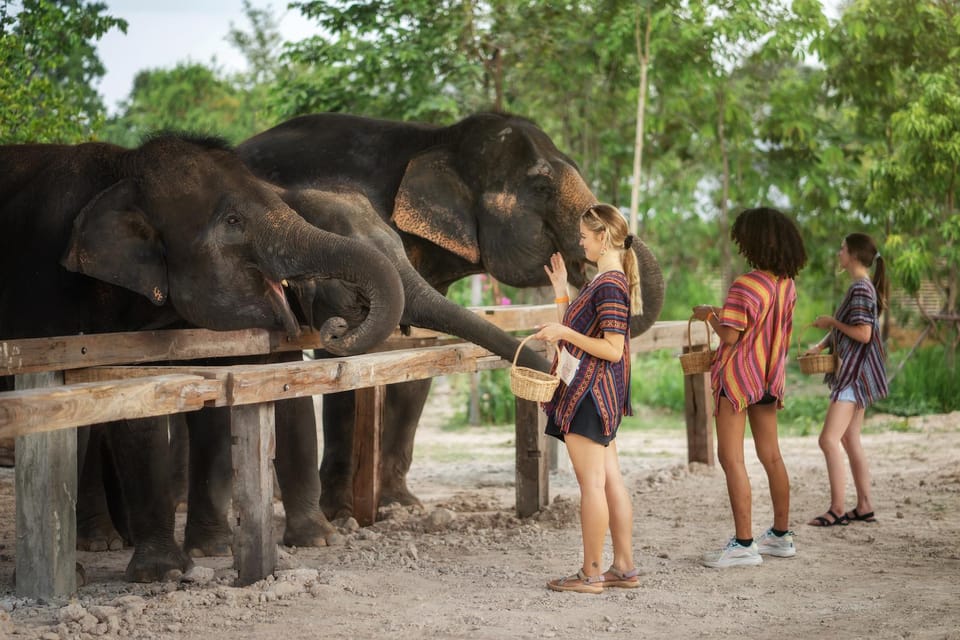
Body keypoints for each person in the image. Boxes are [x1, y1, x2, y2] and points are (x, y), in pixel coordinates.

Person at [535, 203, 642, 594]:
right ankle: (624, 567)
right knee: (610, 480)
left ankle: (590, 574)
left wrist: (564, 336)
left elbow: (612, 348)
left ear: (603, 237)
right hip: (601, 394)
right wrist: (562, 294)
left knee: (593, 485)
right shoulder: (604, 282)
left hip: (590, 396)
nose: (580, 242)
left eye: (584, 236)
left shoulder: (610, 284)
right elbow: (582, 330)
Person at [691, 206, 807, 568]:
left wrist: (708, 314)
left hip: (738, 380)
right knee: (771, 456)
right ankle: (781, 536)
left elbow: (729, 334)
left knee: (731, 458)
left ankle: (744, 544)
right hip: (769, 379)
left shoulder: (747, 284)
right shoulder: (787, 285)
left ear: (755, 242)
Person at [805, 233, 888, 527]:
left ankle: (837, 509)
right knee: (850, 438)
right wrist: (823, 342)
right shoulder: (860, 288)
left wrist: (832, 322)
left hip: (854, 375)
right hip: (858, 374)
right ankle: (864, 505)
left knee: (827, 440)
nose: (839, 253)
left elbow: (863, 334)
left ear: (853, 254)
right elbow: (849, 328)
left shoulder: (862, 289)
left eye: (842, 249)